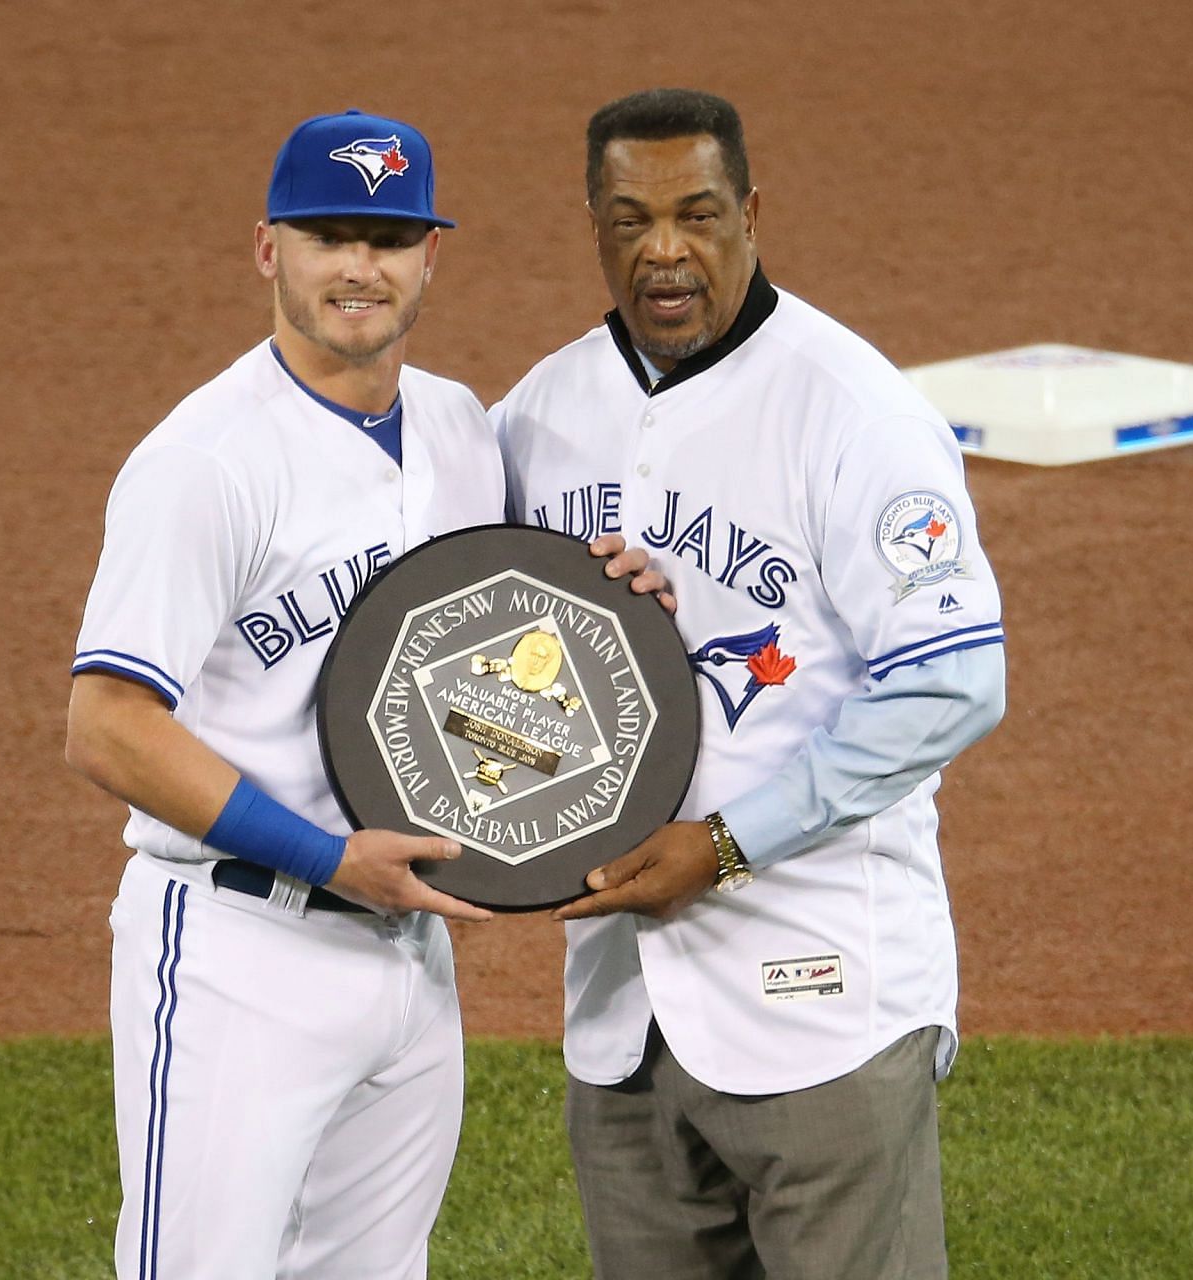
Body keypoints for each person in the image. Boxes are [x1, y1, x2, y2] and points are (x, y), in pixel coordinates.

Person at [66, 108, 660, 1280]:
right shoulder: (206, 462)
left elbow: (514, 630)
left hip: (409, 957)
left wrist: (620, 597)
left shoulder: (456, 426)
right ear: (267, 248)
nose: (359, 267)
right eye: (329, 235)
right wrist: (328, 858)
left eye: (389, 239)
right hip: (241, 943)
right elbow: (108, 726)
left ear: (430, 256)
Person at [494, 88, 1008, 1278]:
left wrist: (725, 841)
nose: (663, 251)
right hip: (624, 1020)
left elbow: (953, 684)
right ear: (592, 226)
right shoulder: (541, 413)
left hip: (825, 998)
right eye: (629, 221)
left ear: (752, 214)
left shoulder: (855, 412)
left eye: (696, 215)